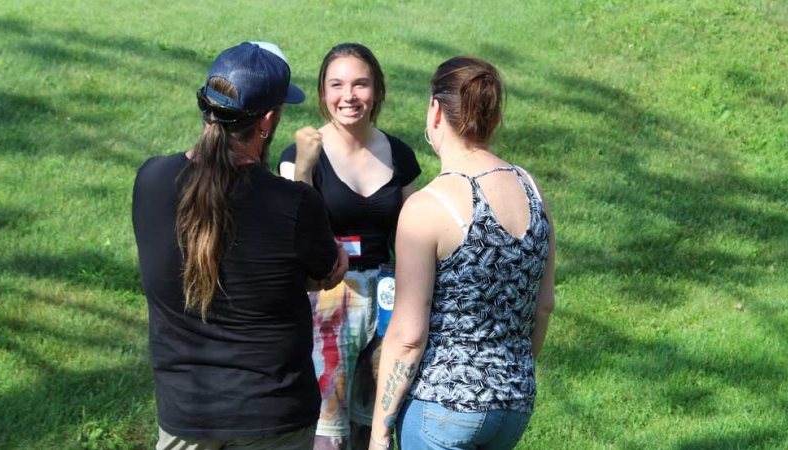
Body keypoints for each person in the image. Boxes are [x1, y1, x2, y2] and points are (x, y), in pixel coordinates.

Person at [132, 41, 348, 450]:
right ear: (267, 120)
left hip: (185, 413)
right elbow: (326, 272)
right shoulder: (293, 202)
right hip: (273, 418)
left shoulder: (152, 180)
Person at [368, 56, 556, 450]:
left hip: (442, 407)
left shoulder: (427, 206)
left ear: (435, 110)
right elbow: (544, 307)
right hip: (513, 404)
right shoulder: (530, 188)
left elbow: (407, 336)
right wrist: (508, 377)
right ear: (494, 119)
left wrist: (379, 431)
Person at [279, 43, 421, 450]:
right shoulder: (298, 155)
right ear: (323, 93)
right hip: (327, 298)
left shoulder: (398, 154)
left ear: (377, 90)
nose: (349, 96)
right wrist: (305, 167)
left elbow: (416, 229)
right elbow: (295, 232)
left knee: (375, 427)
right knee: (328, 434)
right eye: (336, 85)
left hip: (388, 302)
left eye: (361, 84)